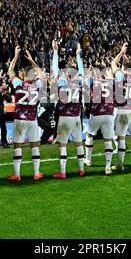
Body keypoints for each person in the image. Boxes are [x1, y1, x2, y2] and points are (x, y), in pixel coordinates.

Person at [7, 46, 45, 181]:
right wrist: (33, 61)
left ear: (24, 74)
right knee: (35, 145)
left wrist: (16, 55)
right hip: (33, 119)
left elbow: (10, 70)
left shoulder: (18, 83)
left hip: (19, 119)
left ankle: (17, 175)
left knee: (18, 146)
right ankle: (36, 173)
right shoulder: (38, 85)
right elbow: (42, 74)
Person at [51, 41, 85, 179]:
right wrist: (78, 56)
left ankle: (63, 172)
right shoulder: (79, 82)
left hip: (65, 117)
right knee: (78, 143)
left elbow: (54, 69)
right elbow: (82, 72)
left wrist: (55, 51)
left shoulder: (61, 82)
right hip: (77, 117)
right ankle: (82, 169)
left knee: (63, 144)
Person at [111, 43, 131, 171]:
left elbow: (113, 63)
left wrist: (120, 53)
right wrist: (125, 56)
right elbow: (129, 67)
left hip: (122, 109)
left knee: (121, 137)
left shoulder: (120, 75)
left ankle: (120, 164)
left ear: (123, 67)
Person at [84, 64, 116, 175]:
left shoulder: (93, 82)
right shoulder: (111, 82)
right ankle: (108, 167)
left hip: (96, 113)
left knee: (89, 135)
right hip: (109, 114)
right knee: (108, 141)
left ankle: (88, 159)